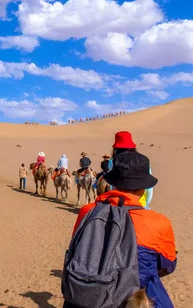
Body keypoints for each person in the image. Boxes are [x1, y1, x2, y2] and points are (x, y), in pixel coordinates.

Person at [68, 151, 177, 307]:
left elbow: (74, 250)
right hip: (136, 293)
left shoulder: (87, 212)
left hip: (87, 293)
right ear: (144, 189)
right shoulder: (159, 222)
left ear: (113, 183)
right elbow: (168, 265)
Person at [109, 131, 154, 210]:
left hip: (118, 203)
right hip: (141, 203)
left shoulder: (112, 161)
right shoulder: (143, 161)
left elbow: (111, 185)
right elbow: (149, 188)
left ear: (116, 149)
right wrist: (145, 203)